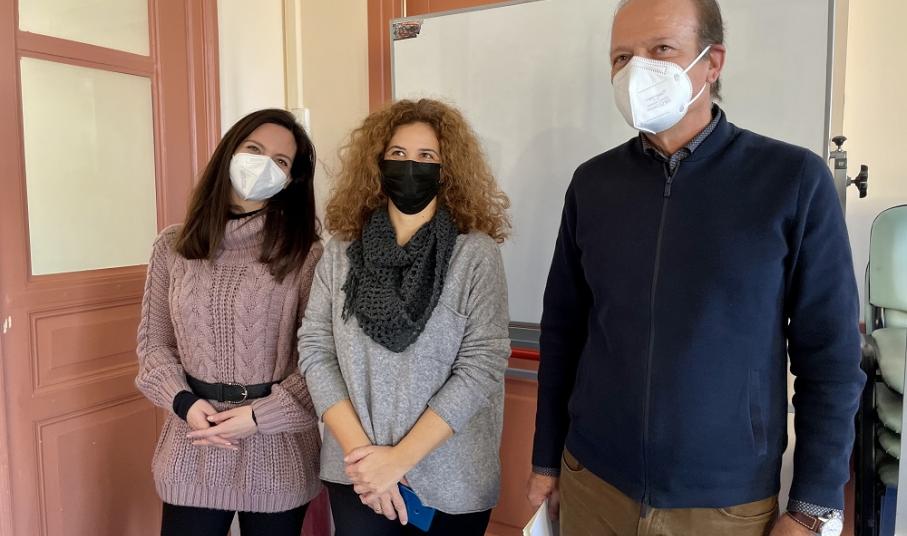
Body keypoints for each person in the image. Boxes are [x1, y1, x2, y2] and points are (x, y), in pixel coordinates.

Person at [527, 1, 865, 535]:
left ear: (712, 62)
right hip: (592, 483)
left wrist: (812, 509)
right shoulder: (592, 184)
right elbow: (564, 331)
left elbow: (832, 357)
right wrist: (546, 460)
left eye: (661, 49)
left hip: (724, 506)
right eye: (621, 57)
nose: (637, 70)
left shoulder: (793, 180)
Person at [298, 98, 512, 536]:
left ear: (447, 170)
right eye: (398, 153)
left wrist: (398, 460)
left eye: (426, 156)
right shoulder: (340, 253)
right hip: (357, 473)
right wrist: (367, 460)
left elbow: (482, 364)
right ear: (377, 163)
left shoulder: (475, 254)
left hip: (453, 479)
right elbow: (316, 350)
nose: (410, 166)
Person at [135, 108, 323, 536]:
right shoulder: (173, 247)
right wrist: (184, 403)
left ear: (291, 179)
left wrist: (260, 417)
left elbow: (319, 360)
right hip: (192, 441)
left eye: (280, 161)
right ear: (229, 153)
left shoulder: (306, 253)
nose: (263, 164)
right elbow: (154, 346)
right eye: (254, 149)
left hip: (277, 449)